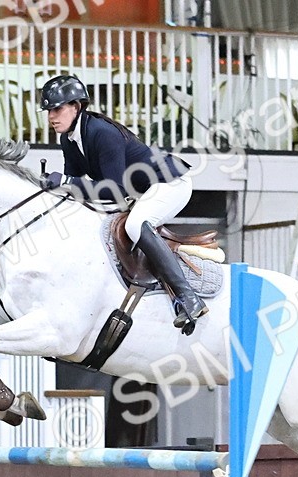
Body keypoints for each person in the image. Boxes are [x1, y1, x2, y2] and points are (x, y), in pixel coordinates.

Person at [38, 74, 207, 333]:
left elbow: (113, 190)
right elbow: (75, 187)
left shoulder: (101, 132)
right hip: (142, 191)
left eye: (58, 109)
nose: (51, 116)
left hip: (170, 182)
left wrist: (66, 181)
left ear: (76, 106)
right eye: (49, 110)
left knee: (136, 225)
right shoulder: (68, 139)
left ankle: (188, 297)